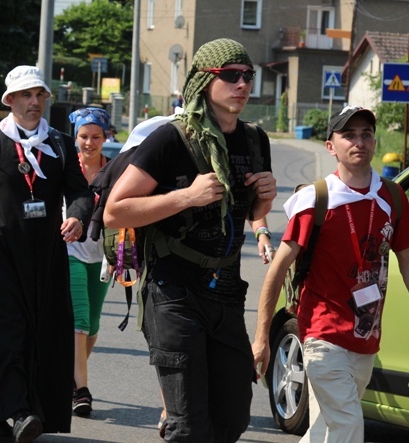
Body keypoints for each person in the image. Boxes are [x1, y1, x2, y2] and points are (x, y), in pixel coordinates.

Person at [104, 38, 276, 442]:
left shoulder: (254, 140)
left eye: (247, 75)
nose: (242, 84)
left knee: (232, 417)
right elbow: (116, 210)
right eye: (230, 76)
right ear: (203, 81)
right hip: (173, 292)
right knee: (188, 425)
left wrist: (263, 199)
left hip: (226, 293)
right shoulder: (171, 139)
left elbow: (246, 215)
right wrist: (186, 196)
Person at [252, 105, 409, 442]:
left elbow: (406, 262)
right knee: (350, 423)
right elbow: (277, 270)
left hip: (366, 339)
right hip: (322, 334)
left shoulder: (393, 198)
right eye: (348, 135)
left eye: (366, 134)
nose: (359, 142)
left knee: (328, 427)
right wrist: (262, 338)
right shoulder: (315, 200)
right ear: (330, 146)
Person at [0, 65, 93, 442]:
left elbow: (81, 193)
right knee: (6, 335)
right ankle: (19, 410)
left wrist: (79, 217)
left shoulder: (62, 145)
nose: (35, 102)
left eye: (40, 95)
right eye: (26, 96)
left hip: (47, 257)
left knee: (44, 335)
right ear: (10, 101)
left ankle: (9, 415)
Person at [66, 107, 111, 416]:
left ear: (105, 138)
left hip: (103, 255)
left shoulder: (116, 170)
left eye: (96, 137)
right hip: (70, 251)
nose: (89, 143)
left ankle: (70, 378)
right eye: (83, 136)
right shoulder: (66, 167)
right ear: (75, 137)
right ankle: (81, 391)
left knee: (92, 325)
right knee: (79, 322)